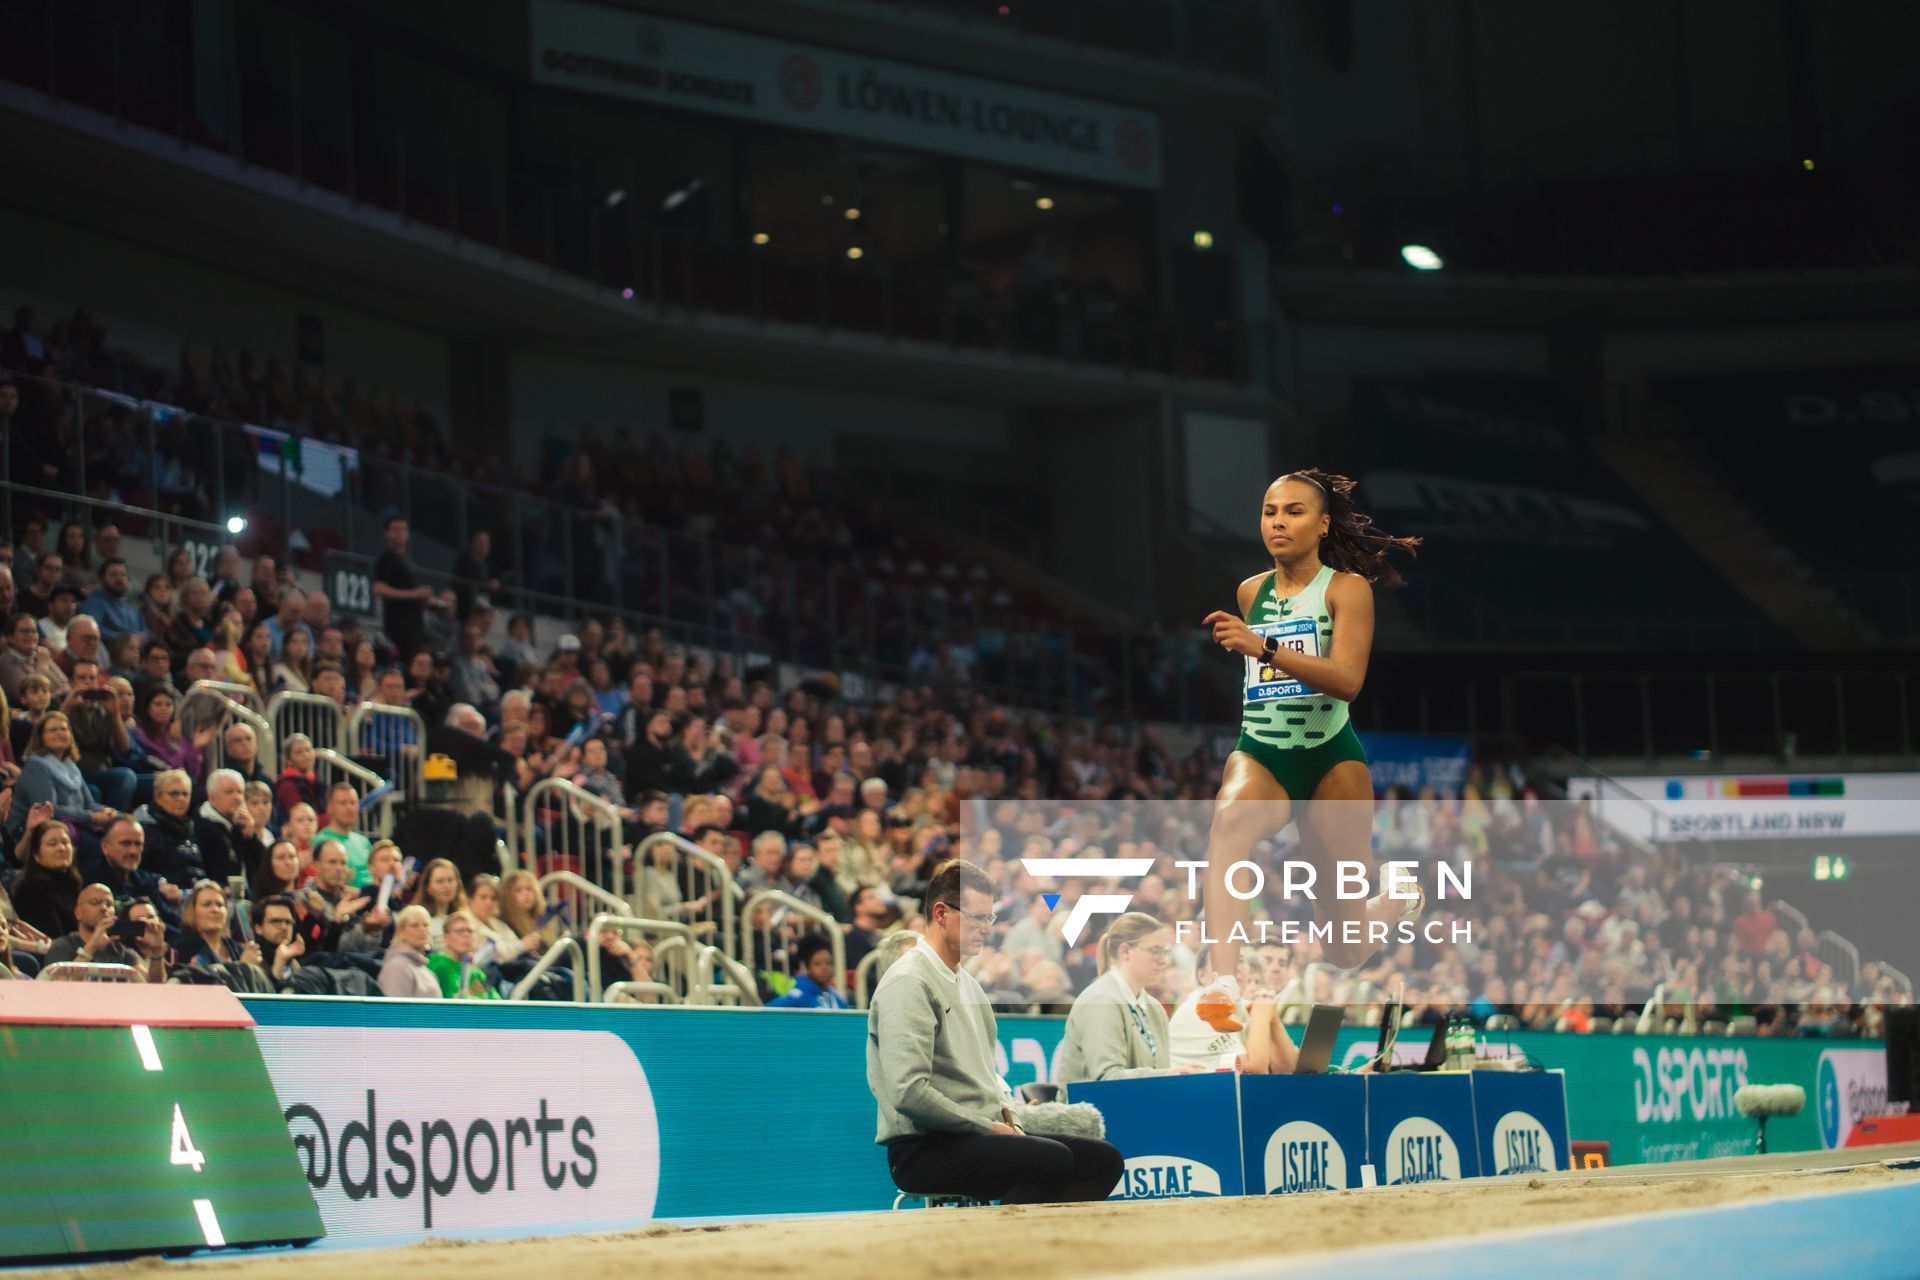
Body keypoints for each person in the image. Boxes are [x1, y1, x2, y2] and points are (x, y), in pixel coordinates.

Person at [1199, 468, 1424, 971]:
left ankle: (1398, 895)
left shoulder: (1345, 590)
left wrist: (1264, 647)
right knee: (1229, 819)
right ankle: (1220, 985)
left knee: (1343, 951)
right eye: (1270, 512)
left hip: (1330, 762)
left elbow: (1347, 680)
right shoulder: (1249, 592)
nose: (1278, 522)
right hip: (1261, 752)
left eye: (1294, 512)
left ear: (1323, 525)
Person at [868, 858, 1122, 1205]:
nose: (987, 928)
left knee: (1102, 1160)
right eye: (977, 917)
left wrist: (1010, 1120)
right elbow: (908, 1093)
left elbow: (990, 1077)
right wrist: (987, 1126)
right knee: (1051, 1160)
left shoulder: (969, 986)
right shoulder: (909, 981)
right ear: (941, 914)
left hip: (975, 1134)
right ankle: (1009, 1249)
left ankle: (1050, 1244)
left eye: (990, 917)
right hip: (923, 1146)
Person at [1055, 912, 1189, 1084]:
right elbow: (1107, 1079)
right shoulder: (1100, 1001)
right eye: (1155, 951)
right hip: (1090, 1109)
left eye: (1165, 952)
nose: (1163, 961)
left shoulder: (1154, 1007)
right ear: (1125, 951)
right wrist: (1165, 1075)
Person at [8, 711, 114, 845]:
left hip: (70, 825)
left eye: (64, 729)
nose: (60, 733)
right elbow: (49, 810)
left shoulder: (70, 766)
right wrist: (91, 817)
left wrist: (108, 812)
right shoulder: (36, 767)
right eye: (53, 730)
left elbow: (88, 804)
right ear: (41, 737)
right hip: (30, 834)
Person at [42, 884, 166, 981]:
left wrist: (156, 952)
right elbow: (59, 987)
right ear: (78, 913)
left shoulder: (121, 951)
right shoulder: (62, 946)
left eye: (109, 904)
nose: (104, 908)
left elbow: (153, 987)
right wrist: (91, 948)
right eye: (96, 902)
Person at [373, 516, 444, 659]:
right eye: (395, 529)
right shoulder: (387, 557)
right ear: (387, 533)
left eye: (403, 529)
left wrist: (428, 600)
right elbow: (378, 588)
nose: (400, 533)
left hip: (415, 625)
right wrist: (415, 594)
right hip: (400, 627)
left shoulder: (406, 559)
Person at [194, 767, 271, 885]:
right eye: (229, 792)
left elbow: (266, 867)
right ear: (212, 798)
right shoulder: (202, 827)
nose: (237, 798)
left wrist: (252, 837)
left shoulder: (240, 824)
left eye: (240, 792)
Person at [10, 821, 85, 938]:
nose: (61, 848)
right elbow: (55, 941)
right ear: (36, 856)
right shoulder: (31, 890)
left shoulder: (75, 883)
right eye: (52, 844)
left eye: (65, 842)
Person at [173, 881, 262, 971]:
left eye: (220, 905)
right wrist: (243, 967)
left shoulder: (236, 948)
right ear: (192, 912)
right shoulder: (182, 948)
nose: (215, 909)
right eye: (207, 904)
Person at [134, 769, 204, 884]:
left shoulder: (192, 828)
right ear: (158, 797)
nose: (181, 799)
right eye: (174, 794)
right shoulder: (144, 830)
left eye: (185, 794)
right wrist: (160, 883)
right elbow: (135, 871)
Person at [130, 683, 212, 777]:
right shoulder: (139, 734)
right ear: (148, 708)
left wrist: (195, 746)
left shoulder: (178, 733)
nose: (164, 708)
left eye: (168, 704)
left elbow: (193, 771)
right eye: (158, 704)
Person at [428, 910, 499, 999]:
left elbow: (496, 1001)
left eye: (470, 931)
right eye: (460, 931)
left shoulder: (476, 971)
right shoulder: (438, 966)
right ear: (446, 938)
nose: (466, 935)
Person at [317, 780, 374, 888]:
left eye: (353, 803)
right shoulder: (322, 841)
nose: (349, 808)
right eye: (343, 803)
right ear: (330, 807)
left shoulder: (363, 841)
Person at [768, 933, 849, 1009]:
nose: (824, 968)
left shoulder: (835, 996)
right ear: (808, 968)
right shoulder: (797, 995)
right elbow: (765, 1014)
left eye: (828, 963)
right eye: (817, 964)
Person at [379, 904, 441, 998]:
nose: (422, 929)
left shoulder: (424, 968)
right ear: (401, 932)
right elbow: (394, 1010)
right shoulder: (397, 965)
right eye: (415, 925)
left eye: (426, 925)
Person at [408, 856, 469, 949]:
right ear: (428, 887)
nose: (447, 886)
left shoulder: (465, 918)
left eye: (450, 880)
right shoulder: (420, 921)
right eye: (440, 881)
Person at [80, 558, 143, 644]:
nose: (119, 578)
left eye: (123, 575)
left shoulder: (133, 608)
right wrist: (125, 639)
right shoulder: (95, 602)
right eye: (113, 575)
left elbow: (145, 632)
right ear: (102, 579)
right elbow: (93, 630)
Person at [250, 894, 307, 987]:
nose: (284, 927)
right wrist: (279, 964)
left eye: (288, 922)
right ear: (258, 928)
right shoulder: (252, 962)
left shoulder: (293, 963)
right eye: (276, 921)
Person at [275, 733, 322, 816]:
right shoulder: (287, 786)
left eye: (308, 750)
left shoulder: (315, 781)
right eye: (299, 752)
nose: (306, 755)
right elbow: (301, 818)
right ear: (289, 760)